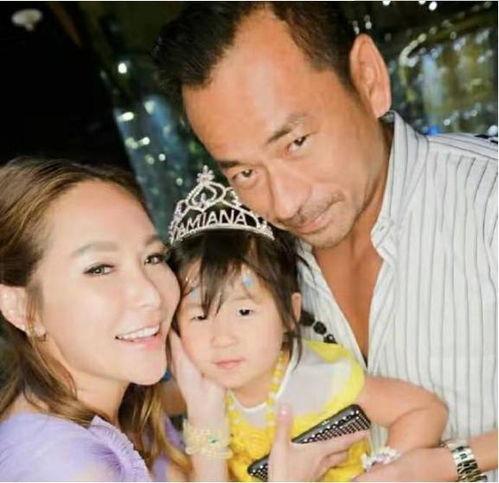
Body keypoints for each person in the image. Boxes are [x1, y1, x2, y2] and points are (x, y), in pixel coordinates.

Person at [152, 2, 498, 481]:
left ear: (368, 79)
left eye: (295, 142)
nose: (285, 202)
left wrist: (452, 462)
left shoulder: (488, 200)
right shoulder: (257, 263)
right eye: (245, 173)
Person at [0, 156, 364, 482]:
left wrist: (206, 416)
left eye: (153, 258)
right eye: (100, 268)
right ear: (21, 307)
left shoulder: (131, 408)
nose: (151, 293)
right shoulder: (54, 465)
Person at [167, 166, 447, 481]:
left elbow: (423, 410)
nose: (222, 338)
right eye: (199, 316)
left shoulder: (319, 377)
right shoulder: (201, 393)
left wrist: (383, 472)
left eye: (244, 311)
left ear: (289, 312)